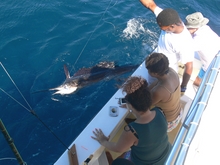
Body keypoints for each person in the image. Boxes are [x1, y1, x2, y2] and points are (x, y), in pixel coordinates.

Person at [92, 76, 171, 165]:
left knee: (117, 162)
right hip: (166, 154)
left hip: (146, 163)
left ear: (131, 106)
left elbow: (118, 148)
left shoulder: (132, 130)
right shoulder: (159, 111)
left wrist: (103, 141)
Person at [139, 0, 194, 93]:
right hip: (156, 60)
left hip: (165, 69)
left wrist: (183, 86)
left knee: (156, 90)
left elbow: (189, 66)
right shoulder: (167, 18)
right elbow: (150, 4)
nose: (161, 29)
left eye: (163, 28)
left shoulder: (185, 42)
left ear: (172, 26)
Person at [146, 52, 182, 132]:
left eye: (148, 70)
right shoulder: (172, 72)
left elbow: (144, 106)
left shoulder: (159, 91)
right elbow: (156, 83)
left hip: (168, 123)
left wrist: (129, 103)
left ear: (155, 73)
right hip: (178, 113)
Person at [185, 12, 220, 86]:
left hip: (211, 64)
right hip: (216, 54)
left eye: (188, 27)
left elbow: (185, 50)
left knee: (198, 82)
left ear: (194, 27)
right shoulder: (205, 27)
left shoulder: (198, 40)